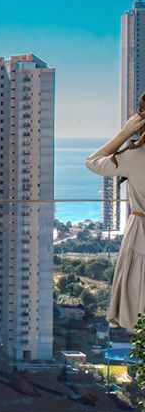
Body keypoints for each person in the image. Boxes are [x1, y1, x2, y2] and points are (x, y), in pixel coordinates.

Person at [86, 109, 145, 331]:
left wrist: (124, 133)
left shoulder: (134, 156)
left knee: (139, 309)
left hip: (141, 235)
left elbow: (93, 162)